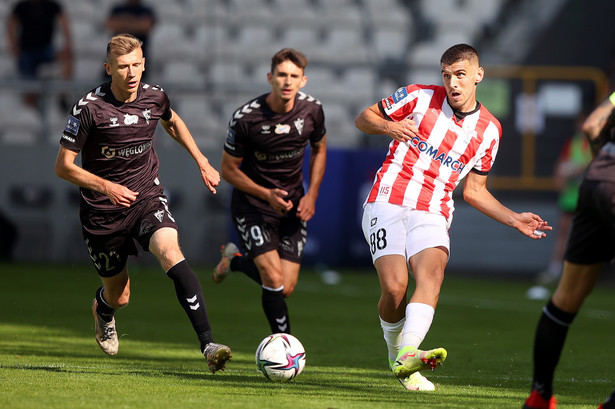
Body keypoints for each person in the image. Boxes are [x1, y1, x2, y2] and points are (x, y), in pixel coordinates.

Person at [354, 43, 552, 392]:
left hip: (433, 209)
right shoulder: (417, 97)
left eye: (460, 75)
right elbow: (363, 117)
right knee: (395, 287)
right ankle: (395, 352)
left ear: (478, 75)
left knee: (432, 273)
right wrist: (389, 127)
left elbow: (475, 190)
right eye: (447, 75)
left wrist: (514, 219)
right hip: (387, 199)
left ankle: (409, 356)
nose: (453, 83)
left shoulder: (490, 130)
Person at [54, 34, 231, 373]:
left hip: (145, 197)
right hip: (102, 211)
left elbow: (173, 121)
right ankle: (103, 310)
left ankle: (208, 344)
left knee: (170, 251)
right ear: (109, 69)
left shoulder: (155, 97)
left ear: (144, 63)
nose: (131, 72)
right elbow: (63, 166)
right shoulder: (89, 108)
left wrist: (202, 161)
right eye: (123, 66)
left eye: (137, 64)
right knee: (120, 296)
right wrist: (105, 186)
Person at [212, 48, 327, 335]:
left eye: (294, 76)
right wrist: (266, 195)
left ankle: (235, 262)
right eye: (282, 75)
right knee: (273, 277)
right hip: (253, 206)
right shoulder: (246, 119)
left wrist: (311, 195)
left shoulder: (312, 110)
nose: (287, 81)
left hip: (291, 206)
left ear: (303, 80)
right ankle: (283, 345)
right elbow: (227, 170)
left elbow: (319, 149)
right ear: (270, 77)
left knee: (285, 288)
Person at [522, 93, 615, 409]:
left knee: (565, 298)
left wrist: (605, 163)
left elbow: (592, 125)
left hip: (598, 177)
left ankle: (539, 394)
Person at [535, 114, 592, 286]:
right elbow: (560, 167)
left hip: (590, 197)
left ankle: (583, 272)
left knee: (588, 234)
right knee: (563, 232)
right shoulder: (573, 143)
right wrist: (561, 177)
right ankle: (556, 269)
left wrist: (575, 169)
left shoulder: (597, 143)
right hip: (571, 196)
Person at [6, 0, 73, 108]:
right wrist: (14, 47)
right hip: (27, 52)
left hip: (46, 50)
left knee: (67, 56)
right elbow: (10, 26)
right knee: (31, 91)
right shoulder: (21, 6)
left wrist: (68, 44)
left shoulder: (52, 5)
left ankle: (63, 95)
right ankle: (32, 113)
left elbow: (64, 24)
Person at [106, 0, 155, 79]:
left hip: (138, 55)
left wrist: (124, 22)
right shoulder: (117, 9)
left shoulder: (146, 10)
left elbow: (146, 27)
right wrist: (137, 23)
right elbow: (112, 25)